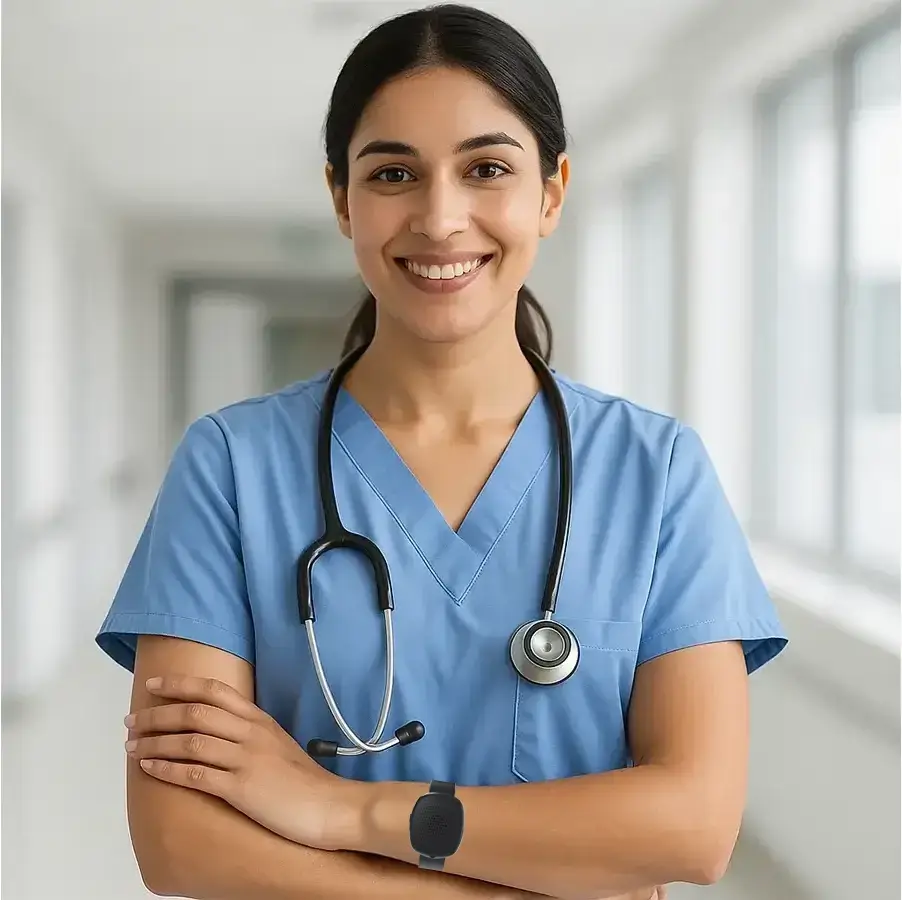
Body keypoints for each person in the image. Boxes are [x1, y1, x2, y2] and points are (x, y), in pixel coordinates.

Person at [97, 5, 788, 900]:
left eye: (487, 168)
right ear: (343, 199)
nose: (440, 216)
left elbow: (693, 828)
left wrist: (341, 812)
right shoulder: (230, 465)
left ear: (551, 190)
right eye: (393, 173)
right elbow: (179, 843)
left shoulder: (655, 472)